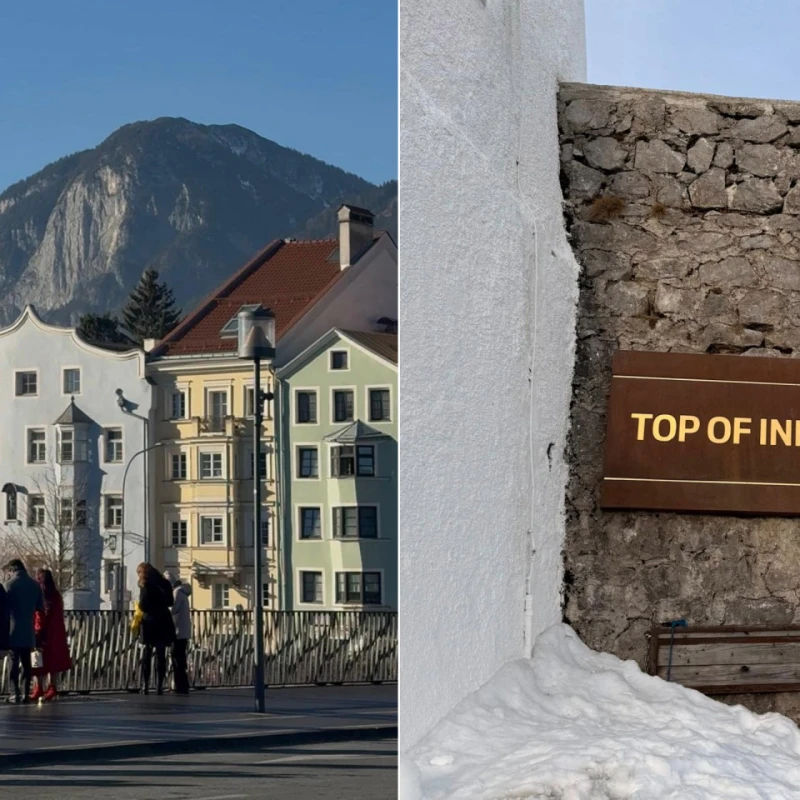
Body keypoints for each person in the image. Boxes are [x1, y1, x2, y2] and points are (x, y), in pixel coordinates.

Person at [4, 559, 44, 703]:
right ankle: (27, 693)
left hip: (13, 630)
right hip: (29, 630)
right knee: (27, 664)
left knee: (13, 663)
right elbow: (40, 607)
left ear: (12, 569)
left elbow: (4, 608)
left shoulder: (8, 585)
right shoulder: (35, 586)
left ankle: (15, 694)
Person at [31, 569, 72, 701]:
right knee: (52, 662)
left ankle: (39, 688)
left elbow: (40, 616)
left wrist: (37, 631)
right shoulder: (56, 595)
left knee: (38, 662)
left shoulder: (41, 595)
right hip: (55, 633)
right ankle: (52, 687)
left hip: (43, 633)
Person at [137, 562, 175, 695]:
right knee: (161, 654)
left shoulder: (146, 584)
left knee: (147, 654)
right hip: (164, 620)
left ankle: (145, 685)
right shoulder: (165, 583)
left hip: (150, 621)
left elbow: (142, 605)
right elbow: (170, 602)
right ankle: (159, 685)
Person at [165, 571, 191, 695]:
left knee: (177, 658)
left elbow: (172, 609)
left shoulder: (177, 593)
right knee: (180, 659)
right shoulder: (182, 592)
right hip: (183, 630)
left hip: (178, 631)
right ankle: (182, 685)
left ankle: (180, 685)